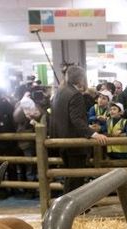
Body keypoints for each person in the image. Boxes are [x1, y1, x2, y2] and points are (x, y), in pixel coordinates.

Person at [50, 65, 107, 193]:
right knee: (76, 178)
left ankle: (71, 207)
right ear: (81, 79)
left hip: (61, 141)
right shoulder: (75, 95)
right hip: (74, 142)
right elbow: (76, 119)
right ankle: (74, 208)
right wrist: (93, 134)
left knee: (70, 177)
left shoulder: (59, 93)